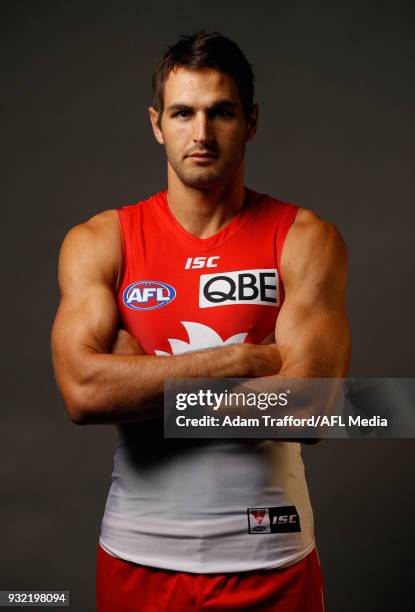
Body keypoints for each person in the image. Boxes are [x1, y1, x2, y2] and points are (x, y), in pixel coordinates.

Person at [51, 31, 351, 612]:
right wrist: (245, 360)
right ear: (157, 123)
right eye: (183, 113)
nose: (202, 134)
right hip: (138, 555)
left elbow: (314, 403)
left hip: (270, 555)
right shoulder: (100, 241)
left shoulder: (305, 238)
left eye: (222, 113)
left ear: (252, 120)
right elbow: (84, 392)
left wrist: (143, 378)